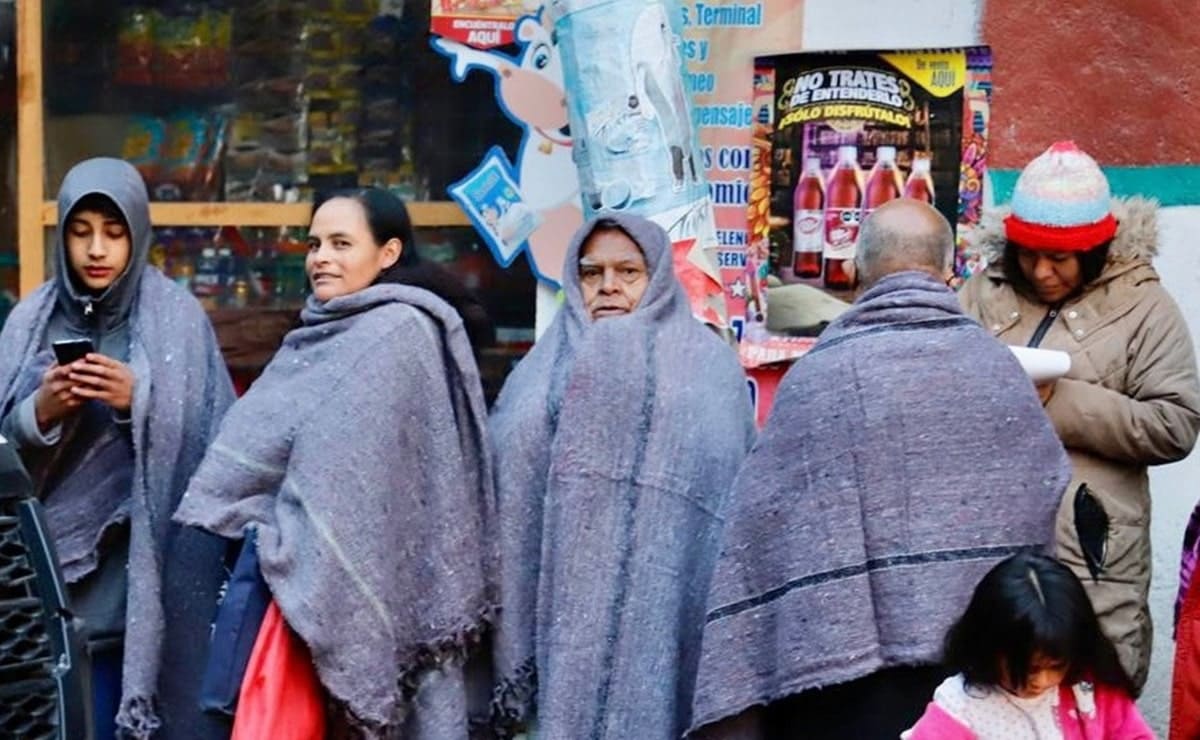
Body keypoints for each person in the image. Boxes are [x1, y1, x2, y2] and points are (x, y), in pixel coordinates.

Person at [689, 199, 1072, 740]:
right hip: (979, 682)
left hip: (843, 686)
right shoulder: (997, 370)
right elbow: (1042, 486)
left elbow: (762, 520)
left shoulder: (819, 374)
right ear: (947, 270)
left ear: (859, 271)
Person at [174, 188, 496, 737]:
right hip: (295, 592)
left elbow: (355, 484)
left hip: (348, 577)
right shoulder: (321, 331)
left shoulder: (398, 333)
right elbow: (257, 455)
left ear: (388, 253)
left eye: (342, 243)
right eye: (315, 243)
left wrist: (298, 532)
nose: (321, 256)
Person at [487, 213, 756, 739]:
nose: (608, 286)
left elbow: (724, 514)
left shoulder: (708, 371)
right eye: (592, 273)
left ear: (657, 277)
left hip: (661, 617)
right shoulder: (538, 372)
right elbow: (506, 500)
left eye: (628, 272)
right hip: (550, 631)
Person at [0, 157, 235, 739]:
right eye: (81, 233)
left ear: (138, 232)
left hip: (141, 594)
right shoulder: (30, 320)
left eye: (113, 231)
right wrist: (40, 414)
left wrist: (140, 403)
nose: (97, 249)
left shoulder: (177, 320)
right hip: (38, 598)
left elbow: (219, 449)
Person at [960, 140, 1200, 691]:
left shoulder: (1144, 306)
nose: (1042, 271)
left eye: (1060, 259)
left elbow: (1176, 424)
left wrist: (1062, 404)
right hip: (989, 549)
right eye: (1028, 254)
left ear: (1094, 251)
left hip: (1093, 555)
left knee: (1092, 703)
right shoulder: (982, 293)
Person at [904, 552, 1152, 739]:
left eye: (1056, 666)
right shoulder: (963, 706)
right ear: (990, 648)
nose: (1042, 681)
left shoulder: (1090, 689)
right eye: (1030, 668)